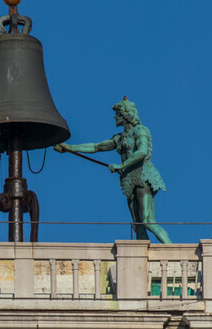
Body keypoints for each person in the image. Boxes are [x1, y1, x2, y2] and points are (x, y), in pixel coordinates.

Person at [54, 97, 171, 243]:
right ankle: (142, 256)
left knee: (147, 220)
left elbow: (142, 151)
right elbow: (95, 147)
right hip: (129, 179)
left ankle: (172, 249)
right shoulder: (120, 138)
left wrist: (121, 165)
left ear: (125, 115)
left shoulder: (140, 130)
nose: (115, 117)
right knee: (137, 224)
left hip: (143, 175)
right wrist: (69, 148)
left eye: (117, 114)